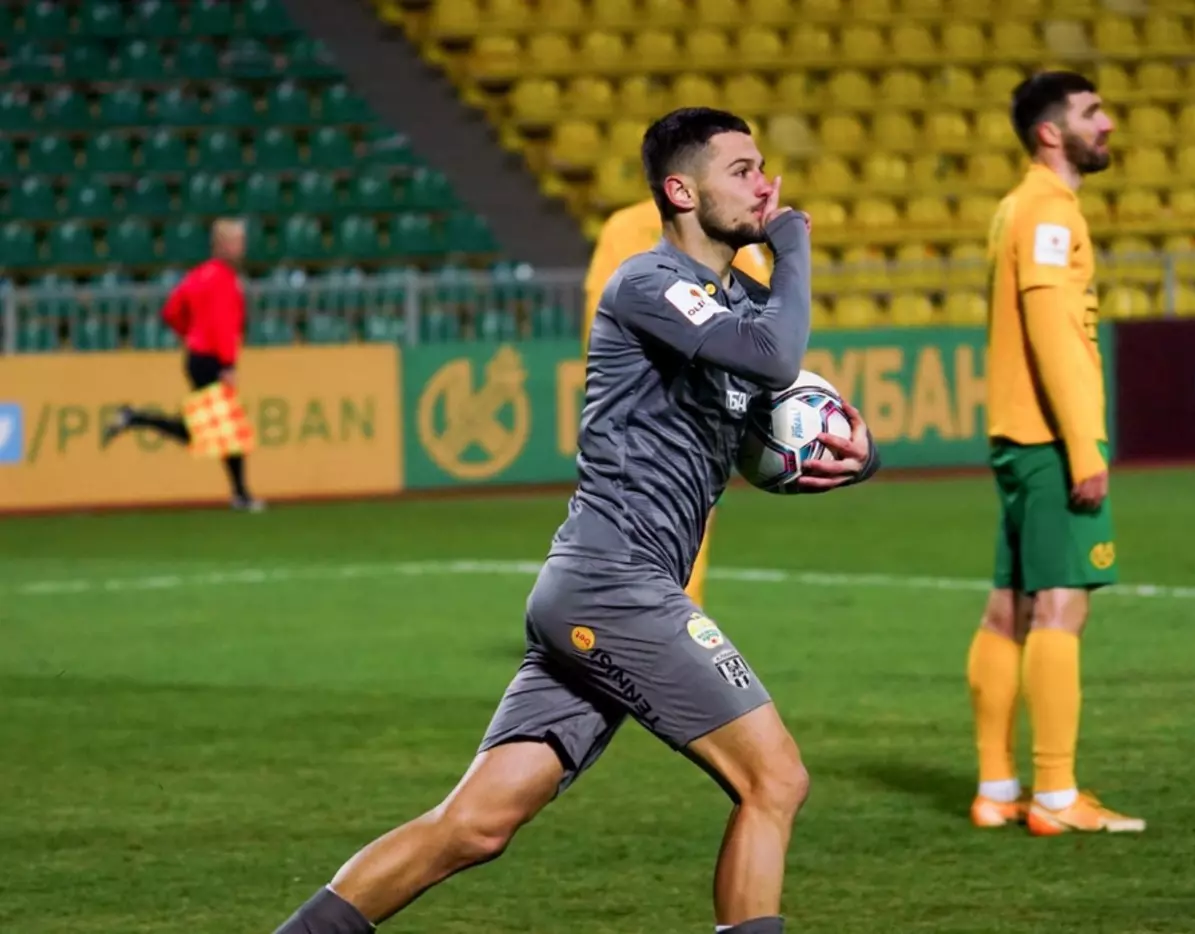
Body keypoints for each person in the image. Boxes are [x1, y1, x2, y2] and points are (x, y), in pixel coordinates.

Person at [269, 107, 881, 934]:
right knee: (774, 780)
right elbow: (776, 358)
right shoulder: (648, 283)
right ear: (681, 191)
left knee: (475, 825)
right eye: (741, 171)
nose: (764, 185)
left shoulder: (737, 303)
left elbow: (776, 409)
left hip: (602, 589)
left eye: (763, 168)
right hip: (616, 584)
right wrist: (795, 244)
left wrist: (858, 455)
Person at [967, 71, 1144, 835]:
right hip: (1049, 437)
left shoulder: (1018, 205)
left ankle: (997, 789)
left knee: (1009, 608)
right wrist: (1082, 444)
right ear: (1051, 132)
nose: (1107, 123)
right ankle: (1056, 795)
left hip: (1017, 433)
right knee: (1062, 607)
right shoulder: (1046, 211)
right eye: (1091, 112)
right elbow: (1051, 329)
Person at [582, 200, 772, 609]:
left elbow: (598, 318)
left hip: (633, 401)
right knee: (681, 523)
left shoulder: (622, 226)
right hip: (694, 401)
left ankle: (641, 621)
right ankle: (667, 623)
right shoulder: (725, 221)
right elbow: (760, 316)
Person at [102, 218, 263, 513]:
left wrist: (190, 334)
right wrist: (228, 365)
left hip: (197, 358)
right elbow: (225, 326)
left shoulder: (198, 275)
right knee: (226, 431)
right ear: (222, 245)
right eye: (237, 241)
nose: (242, 247)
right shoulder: (224, 280)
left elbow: (172, 311)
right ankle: (241, 495)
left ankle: (134, 418)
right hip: (213, 360)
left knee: (212, 431)